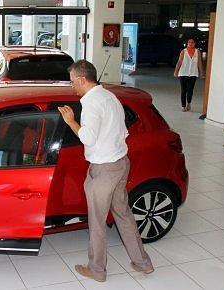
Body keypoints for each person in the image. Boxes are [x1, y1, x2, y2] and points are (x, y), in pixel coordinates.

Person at [58, 60, 153, 283]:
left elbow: (88, 138)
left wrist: (71, 121)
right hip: (121, 163)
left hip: (104, 169)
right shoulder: (111, 97)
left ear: (82, 79)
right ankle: (143, 263)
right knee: (124, 214)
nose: (72, 86)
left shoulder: (91, 104)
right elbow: (124, 133)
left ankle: (97, 270)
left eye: (72, 82)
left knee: (97, 221)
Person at [174, 38, 204, 112]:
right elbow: (179, 62)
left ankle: (189, 103)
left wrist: (201, 73)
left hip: (193, 74)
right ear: (187, 43)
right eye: (189, 42)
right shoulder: (183, 51)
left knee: (190, 90)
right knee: (183, 90)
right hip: (183, 73)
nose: (191, 43)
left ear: (195, 43)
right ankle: (183, 106)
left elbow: (199, 63)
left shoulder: (197, 52)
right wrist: (176, 71)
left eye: (192, 42)